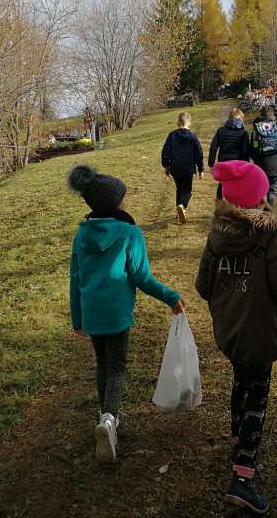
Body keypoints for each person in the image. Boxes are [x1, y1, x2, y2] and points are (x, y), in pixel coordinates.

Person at [195, 160, 277, 514]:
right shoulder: (269, 233)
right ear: (260, 197)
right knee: (257, 393)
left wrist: (227, 299)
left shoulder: (218, 233)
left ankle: (237, 440)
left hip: (231, 328)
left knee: (241, 380)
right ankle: (243, 477)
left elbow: (203, 285)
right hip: (261, 329)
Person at [67, 164, 186, 465]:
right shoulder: (130, 233)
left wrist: (77, 318)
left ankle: (105, 415)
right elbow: (142, 277)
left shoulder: (81, 235)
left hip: (93, 313)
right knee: (118, 366)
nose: (125, 203)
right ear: (113, 203)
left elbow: (75, 279)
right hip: (117, 313)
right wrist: (171, 297)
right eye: (122, 198)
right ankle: (109, 419)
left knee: (102, 363)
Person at [161, 112, 204, 224]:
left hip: (175, 168)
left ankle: (179, 211)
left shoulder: (172, 135)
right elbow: (199, 153)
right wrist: (200, 169)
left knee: (180, 188)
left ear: (178, 122)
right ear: (189, 122)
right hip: (188, 168)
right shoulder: (192, 136)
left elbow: (165, 151)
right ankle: (182, 206)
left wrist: (166, 165)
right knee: (187, 191)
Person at [209, 109, 251, 199]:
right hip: (238, 163)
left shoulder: (221, 130)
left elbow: (213, 147)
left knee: (222, 183)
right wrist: (246, 164)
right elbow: (245, 151)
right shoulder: (243, 132)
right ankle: (234, 206)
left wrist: (211, 164)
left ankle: (220, 205)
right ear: (240, 118)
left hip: (223, 161)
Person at [251, 107, 277, 208]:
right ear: (273, 115)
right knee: (272, 190)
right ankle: (268, 214)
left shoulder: (256, 131)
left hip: (261, 165)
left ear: (262, 115)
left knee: (261, 189)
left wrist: (256, 160)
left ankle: (258, 214)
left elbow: (253, 148)